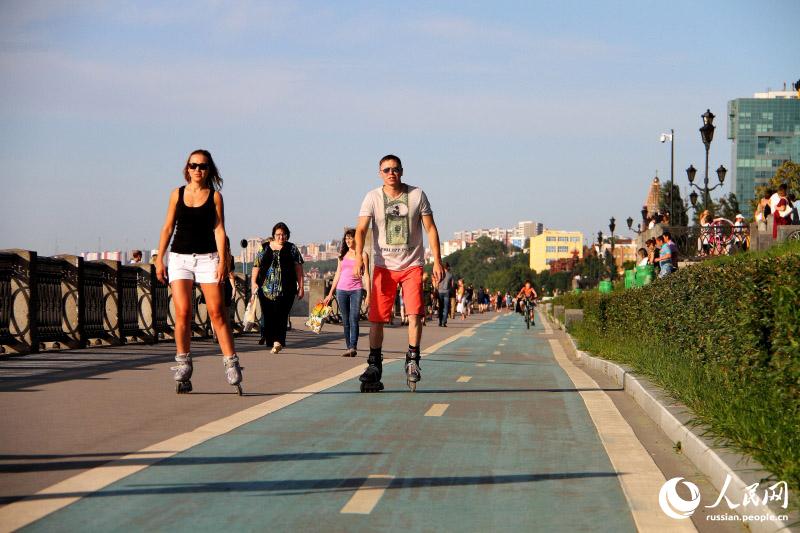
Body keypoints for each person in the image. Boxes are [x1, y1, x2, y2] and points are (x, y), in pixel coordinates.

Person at [154, 149, 242, 394]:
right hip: (179, 258)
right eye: (193, 166)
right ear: (187, 168)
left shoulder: (215, 197)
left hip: (208, 259)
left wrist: (223, 261)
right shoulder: (177, 194)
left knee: (217, 312)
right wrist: (159, 259)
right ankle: (183, 363)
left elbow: (219, 230)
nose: (197, 170)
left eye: (202, 166)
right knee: (182, 312)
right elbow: (168, 227)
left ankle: (231, 362)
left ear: (209, 170)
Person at [353, 154, 443, 392]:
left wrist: (437, 262)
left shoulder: (417, 195)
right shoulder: (372, 197)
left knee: (414, 314)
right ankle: (374, 364)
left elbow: (431, 228)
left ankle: (413, 360)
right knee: (376, 319)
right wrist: (358, 257)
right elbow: (360, 229)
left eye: (395, 169)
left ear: (402, 171)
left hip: (412, 264)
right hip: (383, 267)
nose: (391, 173)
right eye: (386, 170)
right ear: (379, 173)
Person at [251, 222, 305, 353]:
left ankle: (278, 341)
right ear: (273, 235)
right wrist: (253, 282)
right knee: (269, 315)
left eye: (283, 234)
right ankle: (271, 341)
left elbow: (298, 268)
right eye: (278, 234)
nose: (281, 237)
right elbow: (256, 266)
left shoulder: (292, 248)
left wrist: (301, 286)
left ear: (287, 235)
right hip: (266, 288)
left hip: (286, 288)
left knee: (282, 314)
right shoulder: (263, 248)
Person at [323, 229, 370, 357]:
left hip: (356, 290)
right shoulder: (342, 255)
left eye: (351, 238)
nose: (348, 241)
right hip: (341, 290)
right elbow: (338, 274)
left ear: (357, 239)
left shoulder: (363, 255)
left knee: (354, 318)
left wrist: (369, 295)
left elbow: (366, 275)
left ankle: (353, 347)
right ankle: (349, 347)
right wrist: (330, 293)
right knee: (345, 320)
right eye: (346, 238)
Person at [437, 262, 454, 326]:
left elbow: (437, 283)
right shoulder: (450, 275)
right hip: (447, 292)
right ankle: (444, 322)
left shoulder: (440, 274)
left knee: (440, 307)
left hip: (440, 292)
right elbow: (452, 285)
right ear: (448, 267)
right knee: (446, 307)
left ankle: (440, 321)